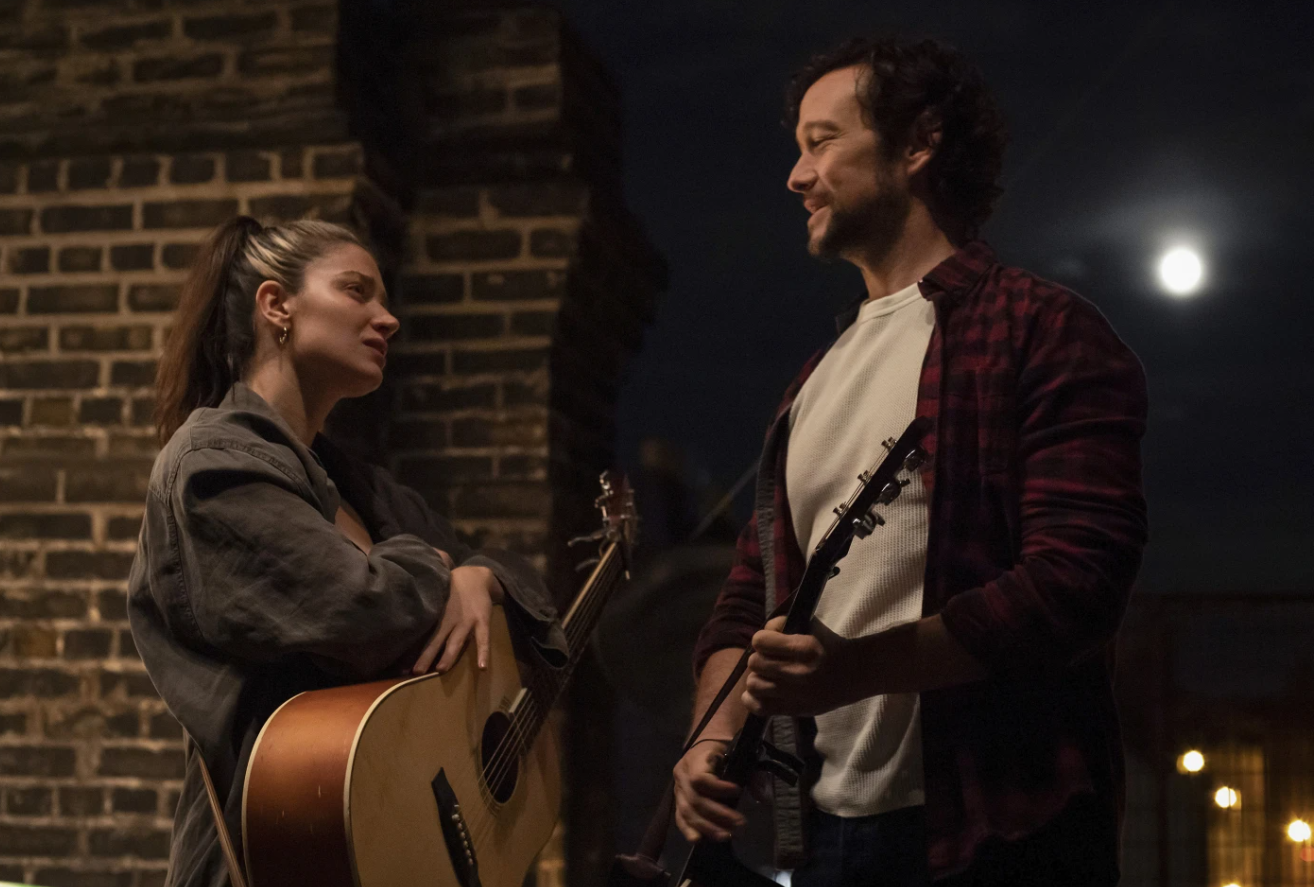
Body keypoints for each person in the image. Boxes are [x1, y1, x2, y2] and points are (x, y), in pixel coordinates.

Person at [672, 36, 1148, 886]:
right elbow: (753, 589)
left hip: (995, 828)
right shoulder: (811, 382)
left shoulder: (1043, 329)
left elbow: (1077, 582)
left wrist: (852, 669)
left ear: (919, 143)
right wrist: (713, 733)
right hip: (822, 830)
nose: (795, 174)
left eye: (823, 141)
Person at [126, 217, 566, 887]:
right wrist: (439, 568)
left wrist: (482, 576)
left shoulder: (359, 486)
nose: (386, 318)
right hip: (282, 852)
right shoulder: (214, 465)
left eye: (384, 300)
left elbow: (509, 579)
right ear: (277, 305)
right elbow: (358, 609)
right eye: (357, 291)